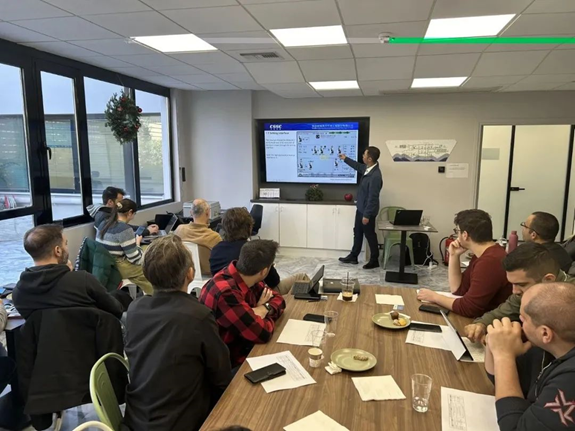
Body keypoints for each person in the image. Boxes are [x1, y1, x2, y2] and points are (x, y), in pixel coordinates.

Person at [124, 235, 231, 431]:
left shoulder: (134, 309)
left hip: (137, 420)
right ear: (190, 273)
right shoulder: (198, 315)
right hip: (183, 422)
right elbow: (221, 376)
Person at [485, 283, 575, 431]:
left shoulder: (571, 378)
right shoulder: (547, 348)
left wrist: (503, 355)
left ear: (545, 333)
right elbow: (503, 381)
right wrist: (494, 342)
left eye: (523, 319)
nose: (518, 322)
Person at [465, 242, 575, 343]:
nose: (514, 291)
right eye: (512, 284)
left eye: (521, 285)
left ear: (548, 279)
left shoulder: (571, 302)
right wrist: (480, 325)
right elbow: (499, 314)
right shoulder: (523, 294)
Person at [200, 240, 286, 368]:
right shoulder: (226, 293)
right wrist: (255, 315)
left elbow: (279, 299)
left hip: (241, 348)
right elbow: (263, 333)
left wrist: (264, 308)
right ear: (264, 271)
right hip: (227, 365)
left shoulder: (244, 277)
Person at [12, 224, 123, 320]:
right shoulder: (83, 281)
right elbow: (116, 310)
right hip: (89, 336)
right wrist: (70, 274)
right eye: (65, 244)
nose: (66, 247)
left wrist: (67, 273)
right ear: (58, 251)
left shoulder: (19, 293)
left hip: (46, 339)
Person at [418, 209, 511, 318]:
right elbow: (459, 290)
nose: (457, 235)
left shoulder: (490, 261)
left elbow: (469, 308)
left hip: (488, 322)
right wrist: (454, 255)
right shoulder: (483, 254)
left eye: (457, 231)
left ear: (465, 235)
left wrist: (435, 297)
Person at [210, 207, 308, 294]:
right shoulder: (254, 251)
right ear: (249, 227)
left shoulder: (215, 250)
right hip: (257, 295)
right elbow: (274, 281)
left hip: (226, 292)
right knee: (302, 277)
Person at [338, 146, 383, 269]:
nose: (362, 156)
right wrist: (345, 158)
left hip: (367, 211)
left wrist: (367, 215)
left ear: (369, 159)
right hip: (361, 208)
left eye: (364, 155)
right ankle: (354, 256)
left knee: (370, 235)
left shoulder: (375, 176)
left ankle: (374, 260)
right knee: (357, 233)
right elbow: (357, 166)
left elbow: (373, 198)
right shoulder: (368, 168)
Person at [96, 199, 153, 295]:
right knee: (151, 268)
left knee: (147, 250)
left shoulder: (103, 223)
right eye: (134, 214)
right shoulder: (125, 229)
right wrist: (137, 243)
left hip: (104, 264)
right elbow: (135, 259)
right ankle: (155, 295)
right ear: (130, 212)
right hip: (117, 267)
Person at [174, 198, 222, 275]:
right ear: (208, 213)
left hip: (184, 275)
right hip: (208, 277)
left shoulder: (179, 230)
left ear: (191, 212)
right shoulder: (215, 237)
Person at [87, 186, 158, 235]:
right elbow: (124, 231)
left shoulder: (106, 213)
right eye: (120, 202)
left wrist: (145, 229)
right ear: (110, 202)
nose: (122, 204)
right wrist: (147, 231)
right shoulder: (104, 217)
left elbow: (126, 227)